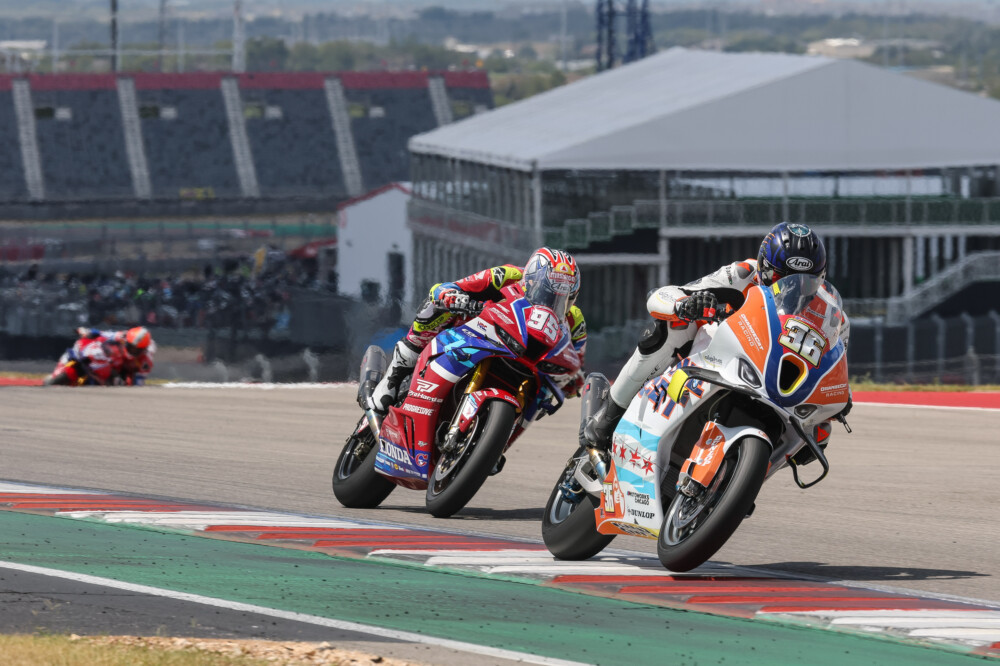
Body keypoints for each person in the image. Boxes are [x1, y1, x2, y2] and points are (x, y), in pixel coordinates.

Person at [584, 222, 850, 450]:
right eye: (783, 279)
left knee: (819, 433)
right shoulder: (743, 274)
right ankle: (609, 415)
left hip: (776, 380)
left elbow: (834, 366)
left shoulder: (831, 315)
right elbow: (665, 295)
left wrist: (839, 395)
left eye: (806, 282)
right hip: (719, 356)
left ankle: (742, 476)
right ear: (764, 268)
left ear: (821, 278)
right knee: (671, 327)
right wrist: (685, 304)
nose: (793, 290)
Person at [368, 247, 587, 414]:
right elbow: (450, 288)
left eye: (563, 298)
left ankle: (498, 438)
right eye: (547, 294)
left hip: (528, 361)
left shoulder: (575, 320)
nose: (553, 303)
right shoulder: (507, 275)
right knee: (434, 306)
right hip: (477, 333)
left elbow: (577, 364)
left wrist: (573, 381)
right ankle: (396, 373)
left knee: (548, 393)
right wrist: (451, 296)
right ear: (531, 281)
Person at [74, 326, 155, 385]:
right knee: (110, 353)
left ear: (144, 349)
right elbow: (103, 334)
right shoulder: (123, 336)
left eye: (137, 349)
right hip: (117, 360)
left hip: (128, 370)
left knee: (128, 383)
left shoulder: (146, 360)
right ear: (127, 341)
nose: (133, 350)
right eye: (131, 346)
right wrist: (88, 332)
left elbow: (140, 381)